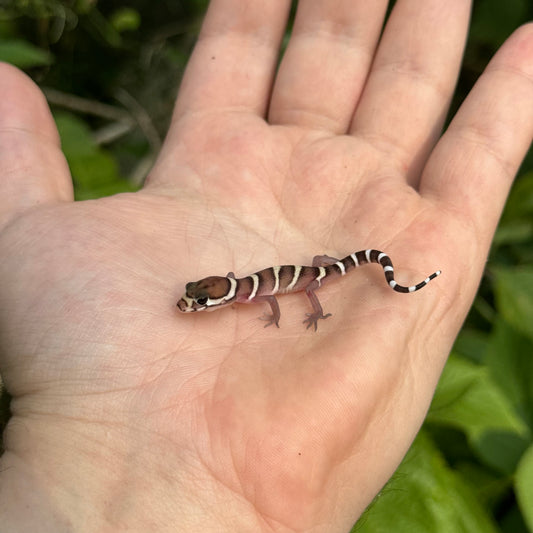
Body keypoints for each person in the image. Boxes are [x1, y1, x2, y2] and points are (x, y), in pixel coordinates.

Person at [0, 1, 532, 531]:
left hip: (322, 274)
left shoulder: (250, 293)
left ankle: (401, 280)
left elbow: (279, 293)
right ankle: (387, 273)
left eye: (199, 299)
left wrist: (299, 309)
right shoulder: (234, 289)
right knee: (318, 275)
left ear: (225, 295)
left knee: (313, 286)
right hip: (319, 265)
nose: (192, 304)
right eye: (196, 297)